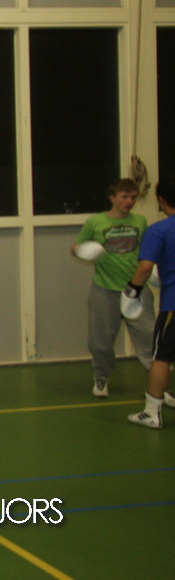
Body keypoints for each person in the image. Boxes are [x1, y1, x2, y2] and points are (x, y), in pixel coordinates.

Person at [72, 178, 156, 397]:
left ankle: (159, 385)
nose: (129, 201)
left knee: (149, 337)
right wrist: (83, 251)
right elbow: (75, 247)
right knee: (100, 341)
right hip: (104, 290)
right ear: (112, 198)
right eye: (124, 197)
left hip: (136, 290)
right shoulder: (95, 222)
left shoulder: (140, 221)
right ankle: (101, 377)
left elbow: (147, 250)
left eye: (133, 197)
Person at [125, 178, 175, 428]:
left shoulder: (159, 230)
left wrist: (131, 292)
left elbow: (145, 268)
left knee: (161, 357)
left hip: (173, 305)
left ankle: (152, 412)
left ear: (161, 200)